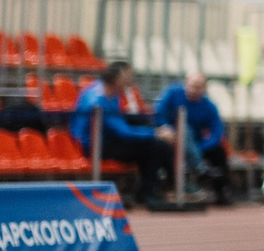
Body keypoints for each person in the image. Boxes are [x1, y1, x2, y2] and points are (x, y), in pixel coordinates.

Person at [72, 61, 173, 204]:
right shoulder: (100, 99)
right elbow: (123, 131)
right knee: (155, 146)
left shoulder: (109, 93)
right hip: (93, 146)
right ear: (118, 78)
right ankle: (152, 191)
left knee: (154, 146)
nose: (131, 81)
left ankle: (155, 189)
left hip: (107, 140)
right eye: (128, 77)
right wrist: (156, 133)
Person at [153, 70, 228, 202]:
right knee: (183, 129)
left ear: (204, 89)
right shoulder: (172, 94)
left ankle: (222, 191)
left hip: (195, 144)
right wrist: (165, 129)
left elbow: (217, 132)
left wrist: (199, 148)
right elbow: (158, 113)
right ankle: (199, 168)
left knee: (218, 152)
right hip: (170, 139)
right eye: (192, 85)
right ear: (185, 83)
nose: (194, 90)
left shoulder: (209, 106)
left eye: (198, 87)